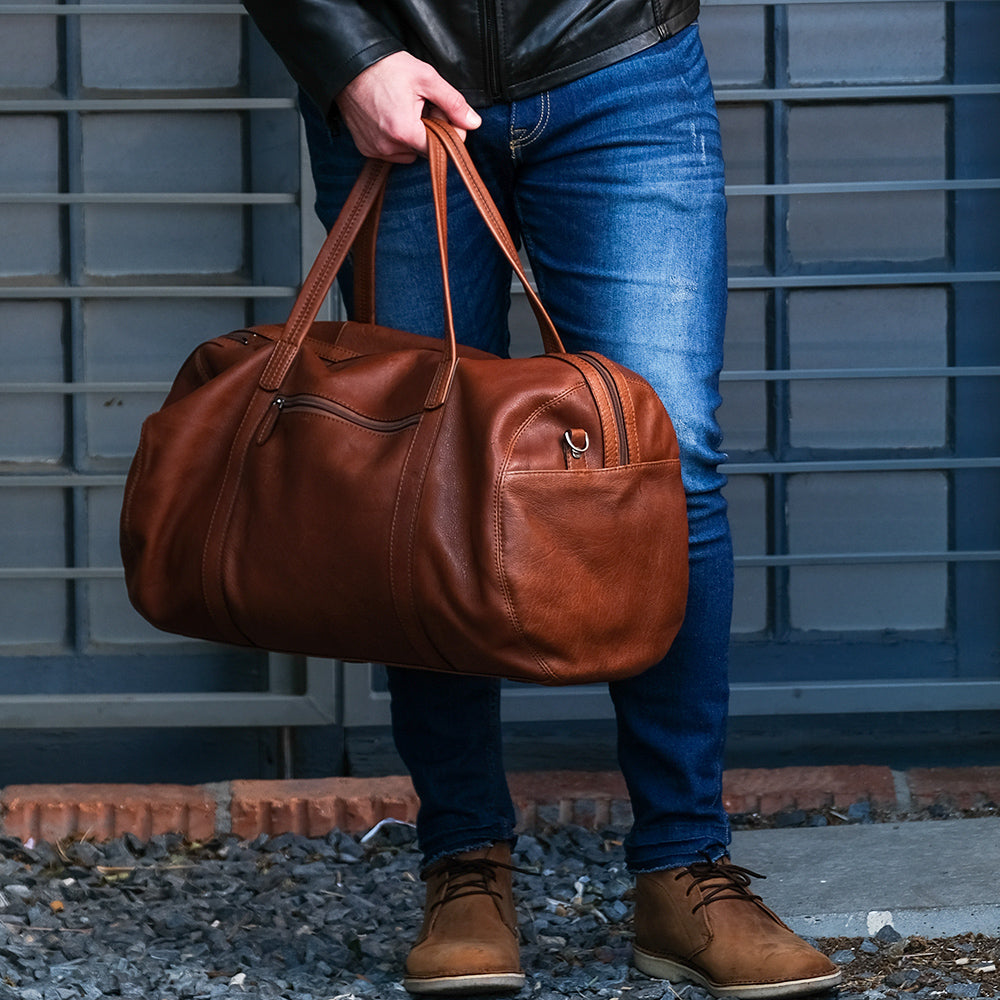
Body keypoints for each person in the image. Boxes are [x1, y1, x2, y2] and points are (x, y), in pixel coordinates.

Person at [242, 2, 843, 997]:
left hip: (620, 59)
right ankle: (464, 862)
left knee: (665, 456)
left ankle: (684, 869)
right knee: (418, 470)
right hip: (397, 68)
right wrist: (346, 55)